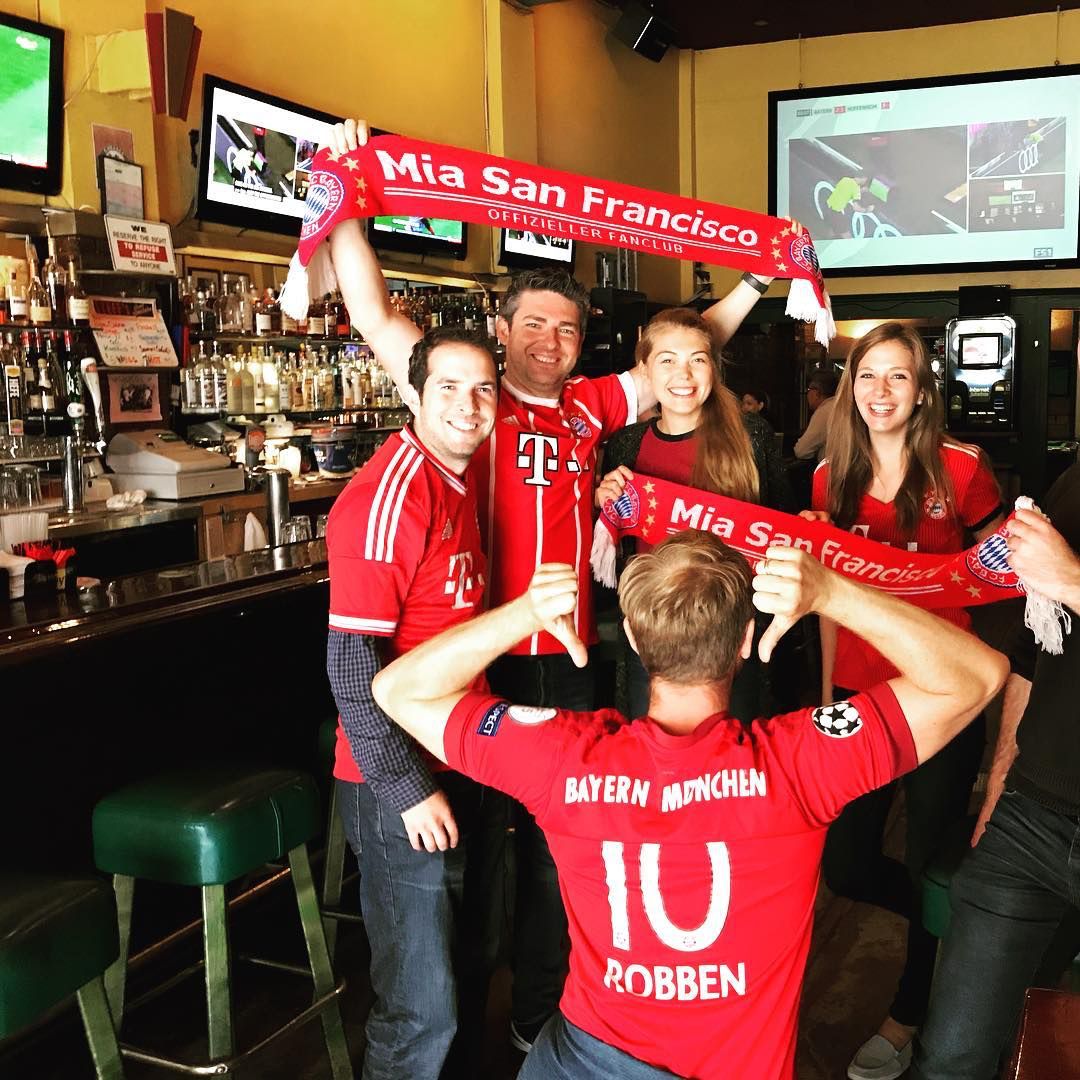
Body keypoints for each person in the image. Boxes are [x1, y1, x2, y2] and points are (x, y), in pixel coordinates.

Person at [323, 116, 776, 1049]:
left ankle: (535, 1017)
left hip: (567, 662)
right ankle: (469, 1023)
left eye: (567, 329)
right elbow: (371, 317)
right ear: (501, 332)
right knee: (476, 853)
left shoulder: (584, 410)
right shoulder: (460, 399)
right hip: (478, 666)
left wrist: (758, 278)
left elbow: (681, 355)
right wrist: (347, 196)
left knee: (559, 858)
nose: (551, 340)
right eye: (534, 324)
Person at [368, 529, 1007, 1080]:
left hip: (584, 1062)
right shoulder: (796, 763)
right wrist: (833, 594)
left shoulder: (564, 758)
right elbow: (977, 674)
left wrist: (524, 614)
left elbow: (398, 690)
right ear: (743, 643)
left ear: (640, 649)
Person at [809, 321, 1006, 1080]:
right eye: (867, 377)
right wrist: (825, 694)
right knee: (849, 867)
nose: (880, 392)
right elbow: (826, 598)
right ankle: (950, 925)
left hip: (944, 695)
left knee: (928, 858)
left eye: (898, 377)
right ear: (850, 388)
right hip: (861, 694)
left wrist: (993, 708)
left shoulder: (962, 468)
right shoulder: (831, 478)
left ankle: (909, 1012)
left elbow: (999, 590)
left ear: (923, 390)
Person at [324, 326, 498, 1079]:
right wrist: (405, 789)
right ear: (412, 394)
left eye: (483, 388)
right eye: (449, 388)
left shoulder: (458, 475)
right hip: (396, 780)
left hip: (459, 756)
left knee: (465, 973)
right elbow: (349, 661)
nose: (468, 404)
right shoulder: (389, 495)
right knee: (419, 1007)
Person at [912, 465, 1080, 1080]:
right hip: (1030, 819)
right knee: (952, 1059)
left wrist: (1073, 579)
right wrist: (999, 786)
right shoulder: (1072, 484)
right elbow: (1036, 656)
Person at [597, 306, 793, 721]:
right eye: (667, 360)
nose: (683, 376)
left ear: (714, 370)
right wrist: (602, 502)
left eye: (697, 360)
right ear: (645, 371)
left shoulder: (751, 435)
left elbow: (787, 529)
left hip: (736, 633)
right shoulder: (624, 446)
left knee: (737, 762)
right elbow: (611, 558)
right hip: (650, 633)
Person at [793, 368, 838, 461]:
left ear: (817, 393)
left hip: (833, 471)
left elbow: (801, 451)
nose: (807, 394)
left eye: (808, 389)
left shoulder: (825, 411)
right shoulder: (843, 406)